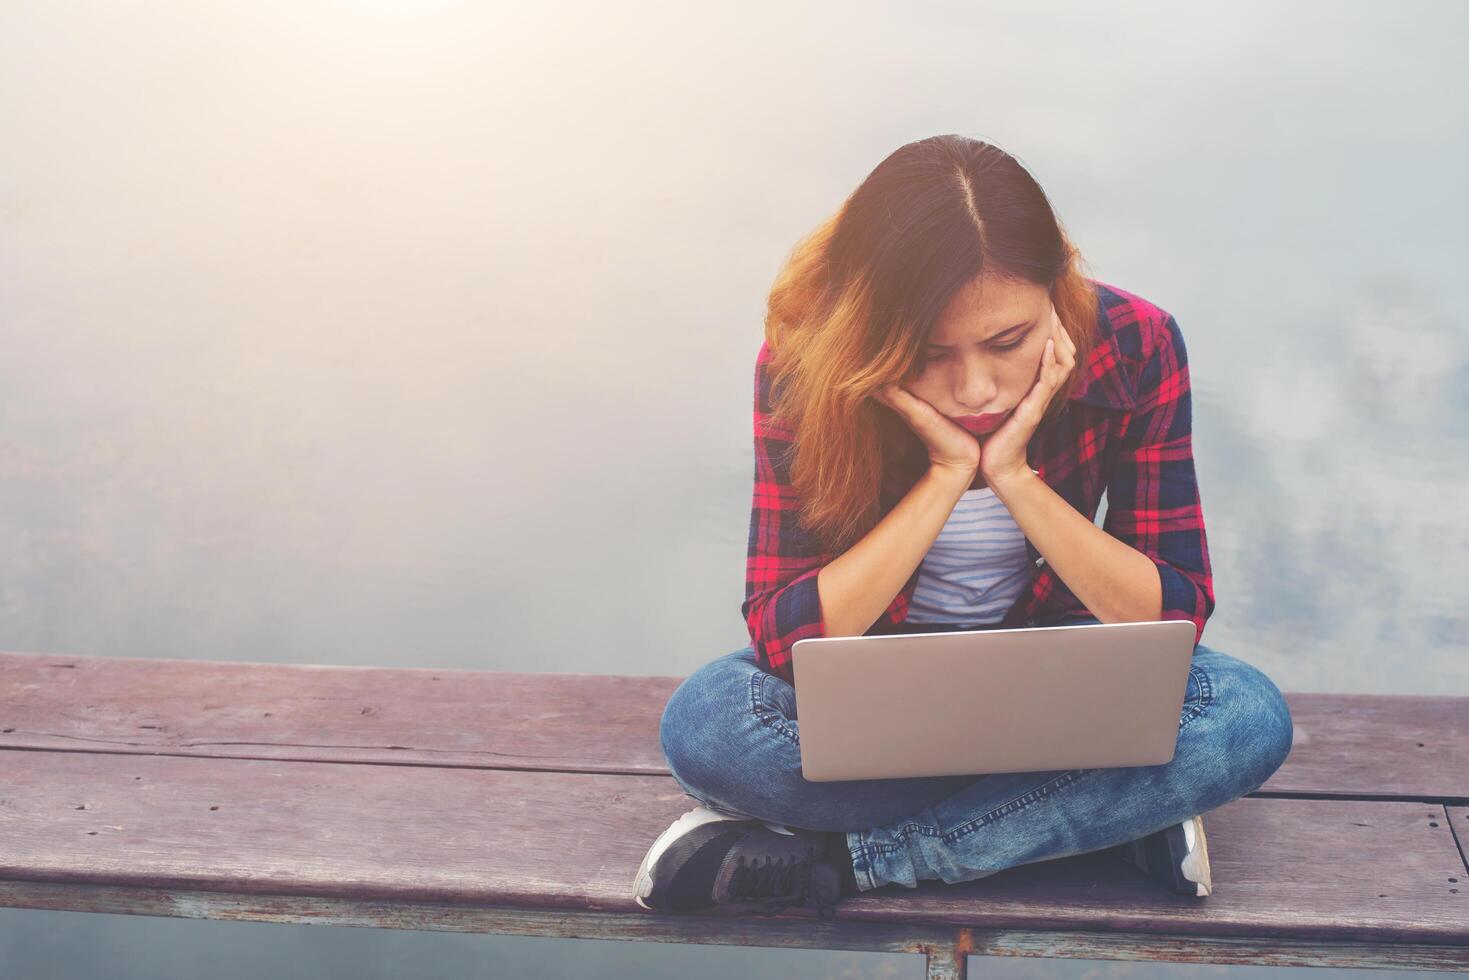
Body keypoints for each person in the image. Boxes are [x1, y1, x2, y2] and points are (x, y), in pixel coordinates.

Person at [634, 134, 1294, 919]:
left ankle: (858, 862)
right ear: (869, 326)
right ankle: (1099, 818)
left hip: (1070, 689)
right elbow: (783, 638)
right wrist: (947, 476)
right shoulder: (805, 361)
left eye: (1007, 342)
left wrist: (1014, 477)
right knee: (707, 727)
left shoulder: (1137, 344)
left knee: (1246, 716)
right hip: (878, 703)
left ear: (1058, 287)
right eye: (928, 351)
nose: (975, 388)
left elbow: (1172, 617)